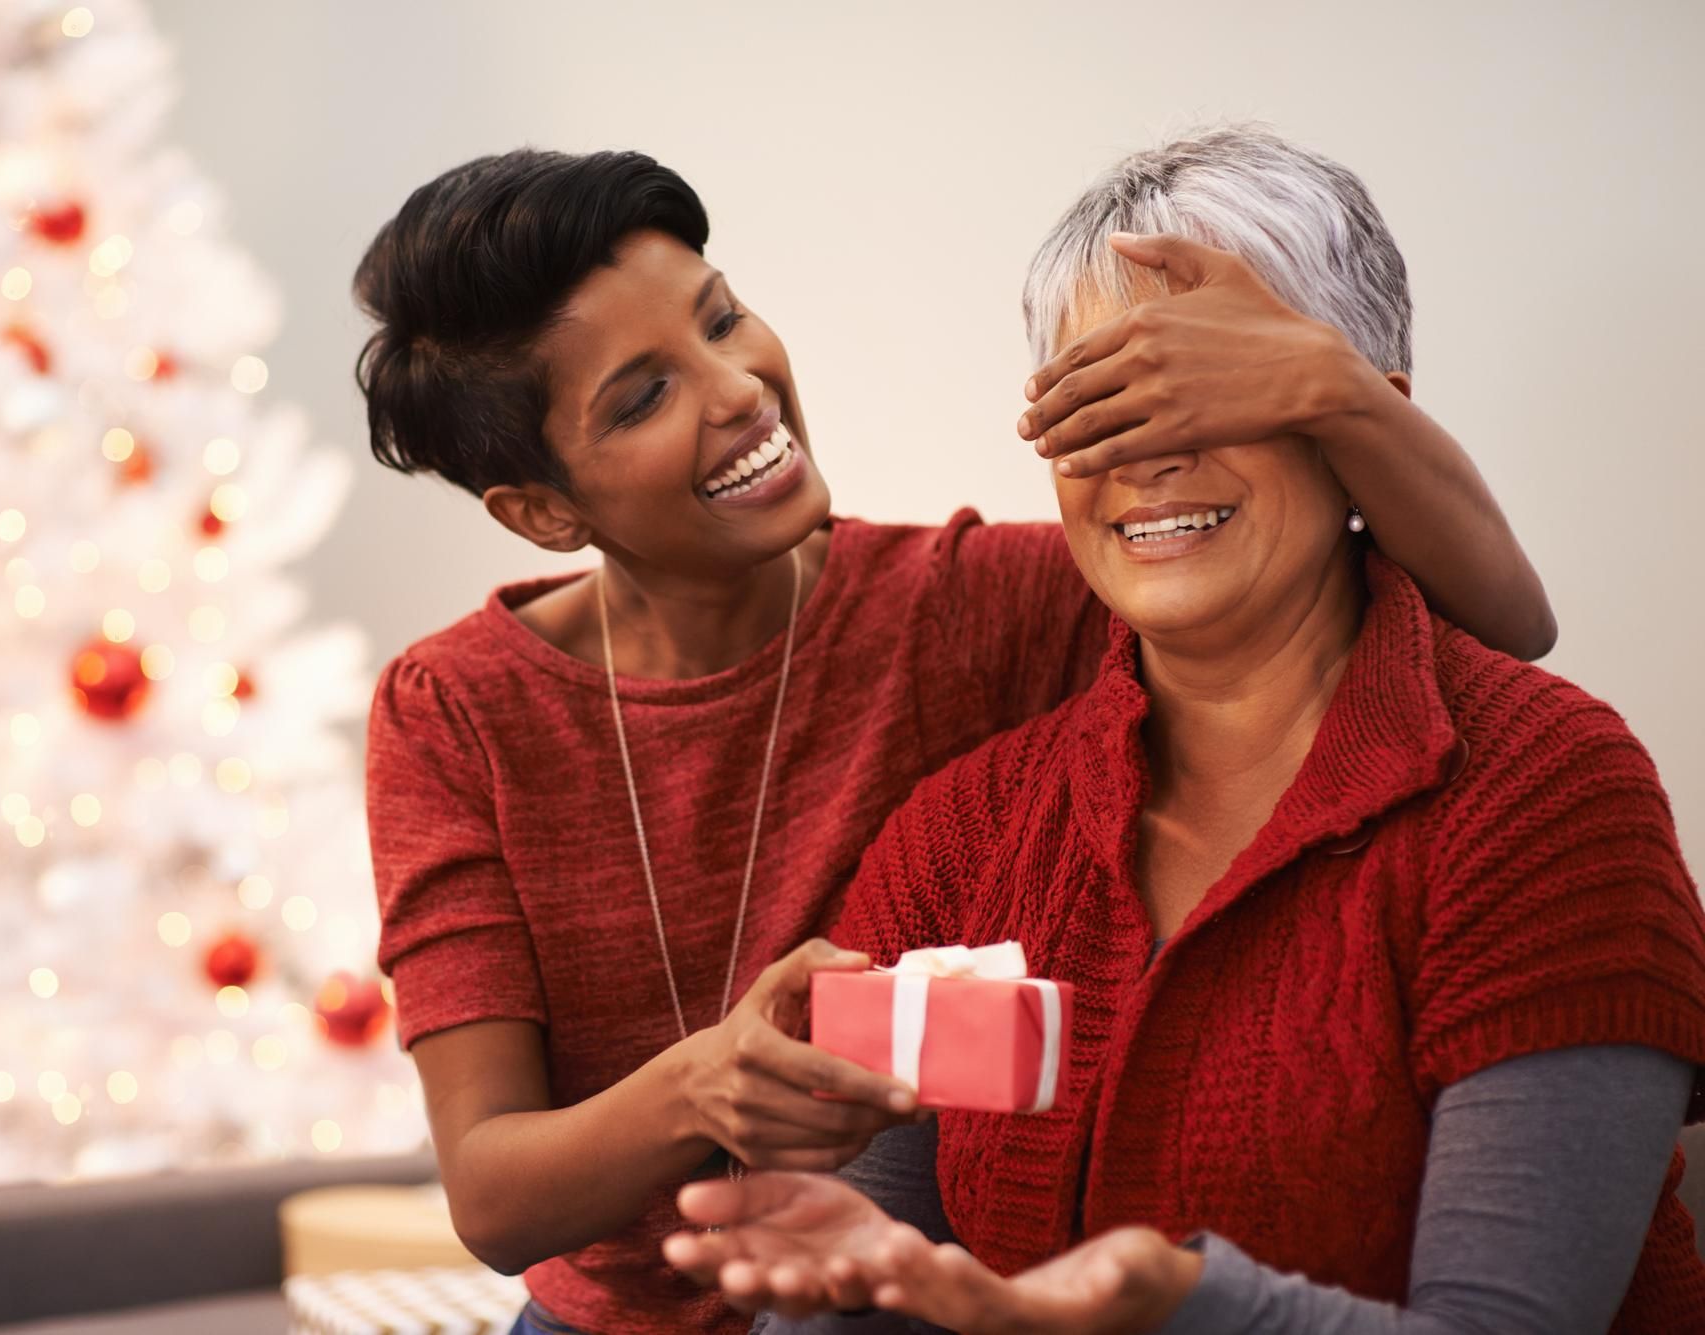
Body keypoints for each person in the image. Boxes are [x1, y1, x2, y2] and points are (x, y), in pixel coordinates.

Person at [356, 142, 1557, 1335]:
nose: (735, 390)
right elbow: (493, 1197)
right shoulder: (453, 712)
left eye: (721, 323)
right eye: (642, 396)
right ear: (543, 510)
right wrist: (706, 1079)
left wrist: (1329, 387)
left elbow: (1486, 626)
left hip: (887, 1295)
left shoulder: (964, 607)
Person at [662, 127, 1705, 1335]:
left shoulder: (1541, 797)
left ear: (1366, 424)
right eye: (1096, 405)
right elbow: (875, 1272)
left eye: (1204, 392)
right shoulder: (963, 833)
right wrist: (850, 1304)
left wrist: (1179, 1305)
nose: (1147, 457)